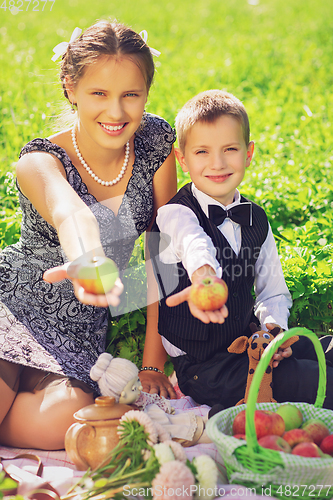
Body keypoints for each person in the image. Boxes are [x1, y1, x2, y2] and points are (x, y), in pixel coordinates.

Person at [0, 20, 177, 450]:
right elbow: (70, 213)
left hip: (75, 332)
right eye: (99, 93)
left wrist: (153, 366)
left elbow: (162, 254)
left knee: (68, 419)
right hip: (11, 305)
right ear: (70, 87)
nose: (116, 113)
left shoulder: (156, 145)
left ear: (146, 93)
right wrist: (88, 256)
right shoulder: (40, 161)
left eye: (130, 95)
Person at [147, 89, 333, 410]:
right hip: (206, 368)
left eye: (229, 149)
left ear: (248, 154)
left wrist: (275, 332)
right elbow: (194, 244)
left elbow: (272, 291)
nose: (217, 163)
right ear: (183, 159)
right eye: (202, 152)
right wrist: (205, 276)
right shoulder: (175, 214)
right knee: (316, 381)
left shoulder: (256, 217)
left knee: (323, 351)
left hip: (250, 341)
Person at [90, 352, 210, 447]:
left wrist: (163, 405)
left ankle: (205, 420)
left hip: (161, 415)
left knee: (178, 419)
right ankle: (204, 435)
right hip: (156, 426)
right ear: (121, 396)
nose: (140, 387)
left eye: (137, 381)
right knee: (177, 430)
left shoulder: (140, 397)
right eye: (133, 388)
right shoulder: (123, 415)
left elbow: (152, 399)